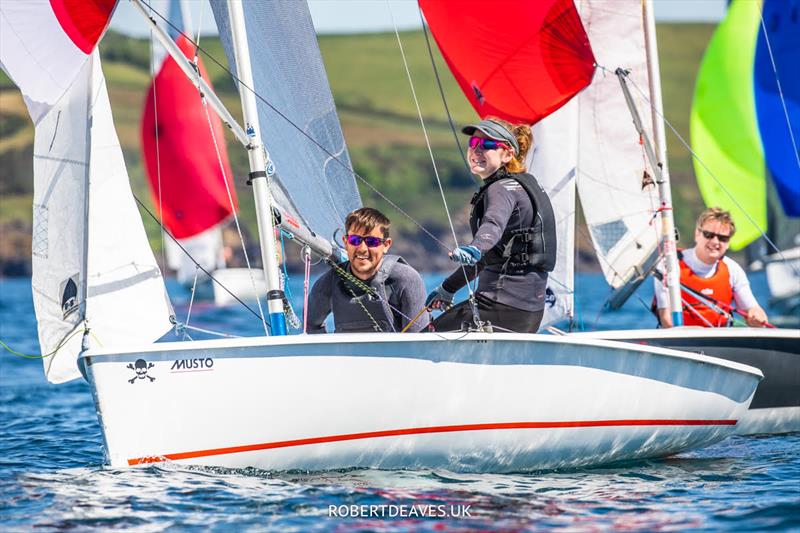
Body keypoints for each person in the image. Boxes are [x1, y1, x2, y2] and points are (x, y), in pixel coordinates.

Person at [426, 118, 556, 333]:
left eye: (487, 145)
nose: (476, 149)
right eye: (473, 143)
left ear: (507, 154)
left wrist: (475, 247)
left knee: (426, 340)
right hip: (528, 313)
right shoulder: (524, 185)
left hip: (497, 307)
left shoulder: (500, 189)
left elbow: (492, 225)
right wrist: (448, 288)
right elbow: (491, 255)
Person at [307, 207, 430, 333]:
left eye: (371, 241)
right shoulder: (329, 282)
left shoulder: (406, 279)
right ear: (345, 242)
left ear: (386, 245)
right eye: (355, 240)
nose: (362, 249)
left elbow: (420, 341)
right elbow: (310, 326)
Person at [654, 207, 768, 328]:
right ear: (697, 234)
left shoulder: (732, 269)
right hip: (680, 341)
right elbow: (667, 320)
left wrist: (757, 317)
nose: (715, 242)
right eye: (709, 235)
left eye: (722, 238)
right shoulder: (670, 265)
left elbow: (754, 310)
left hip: (720, 341)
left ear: (728, 243)